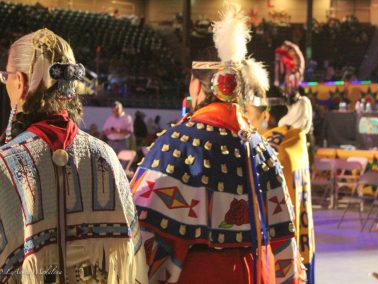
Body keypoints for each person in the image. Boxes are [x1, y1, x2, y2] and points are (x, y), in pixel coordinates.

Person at [130, 3, 304, 284]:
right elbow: (284, 241)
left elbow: (141, 235)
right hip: (254, 273)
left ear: (197, 88)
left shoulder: (175, 145)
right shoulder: (263, 149)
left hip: (197, 274)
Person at [0, 28, 147, 283]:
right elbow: (134, 263)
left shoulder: (6, 164)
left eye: (6, 76)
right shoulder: (107, 156)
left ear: (21, 83)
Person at [244, 41, 315, 283]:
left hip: (279, 245)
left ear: (266, 116)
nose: (245, 119)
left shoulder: (270, 144)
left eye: (248, 113)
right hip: (302, 241)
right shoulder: (298, 138)